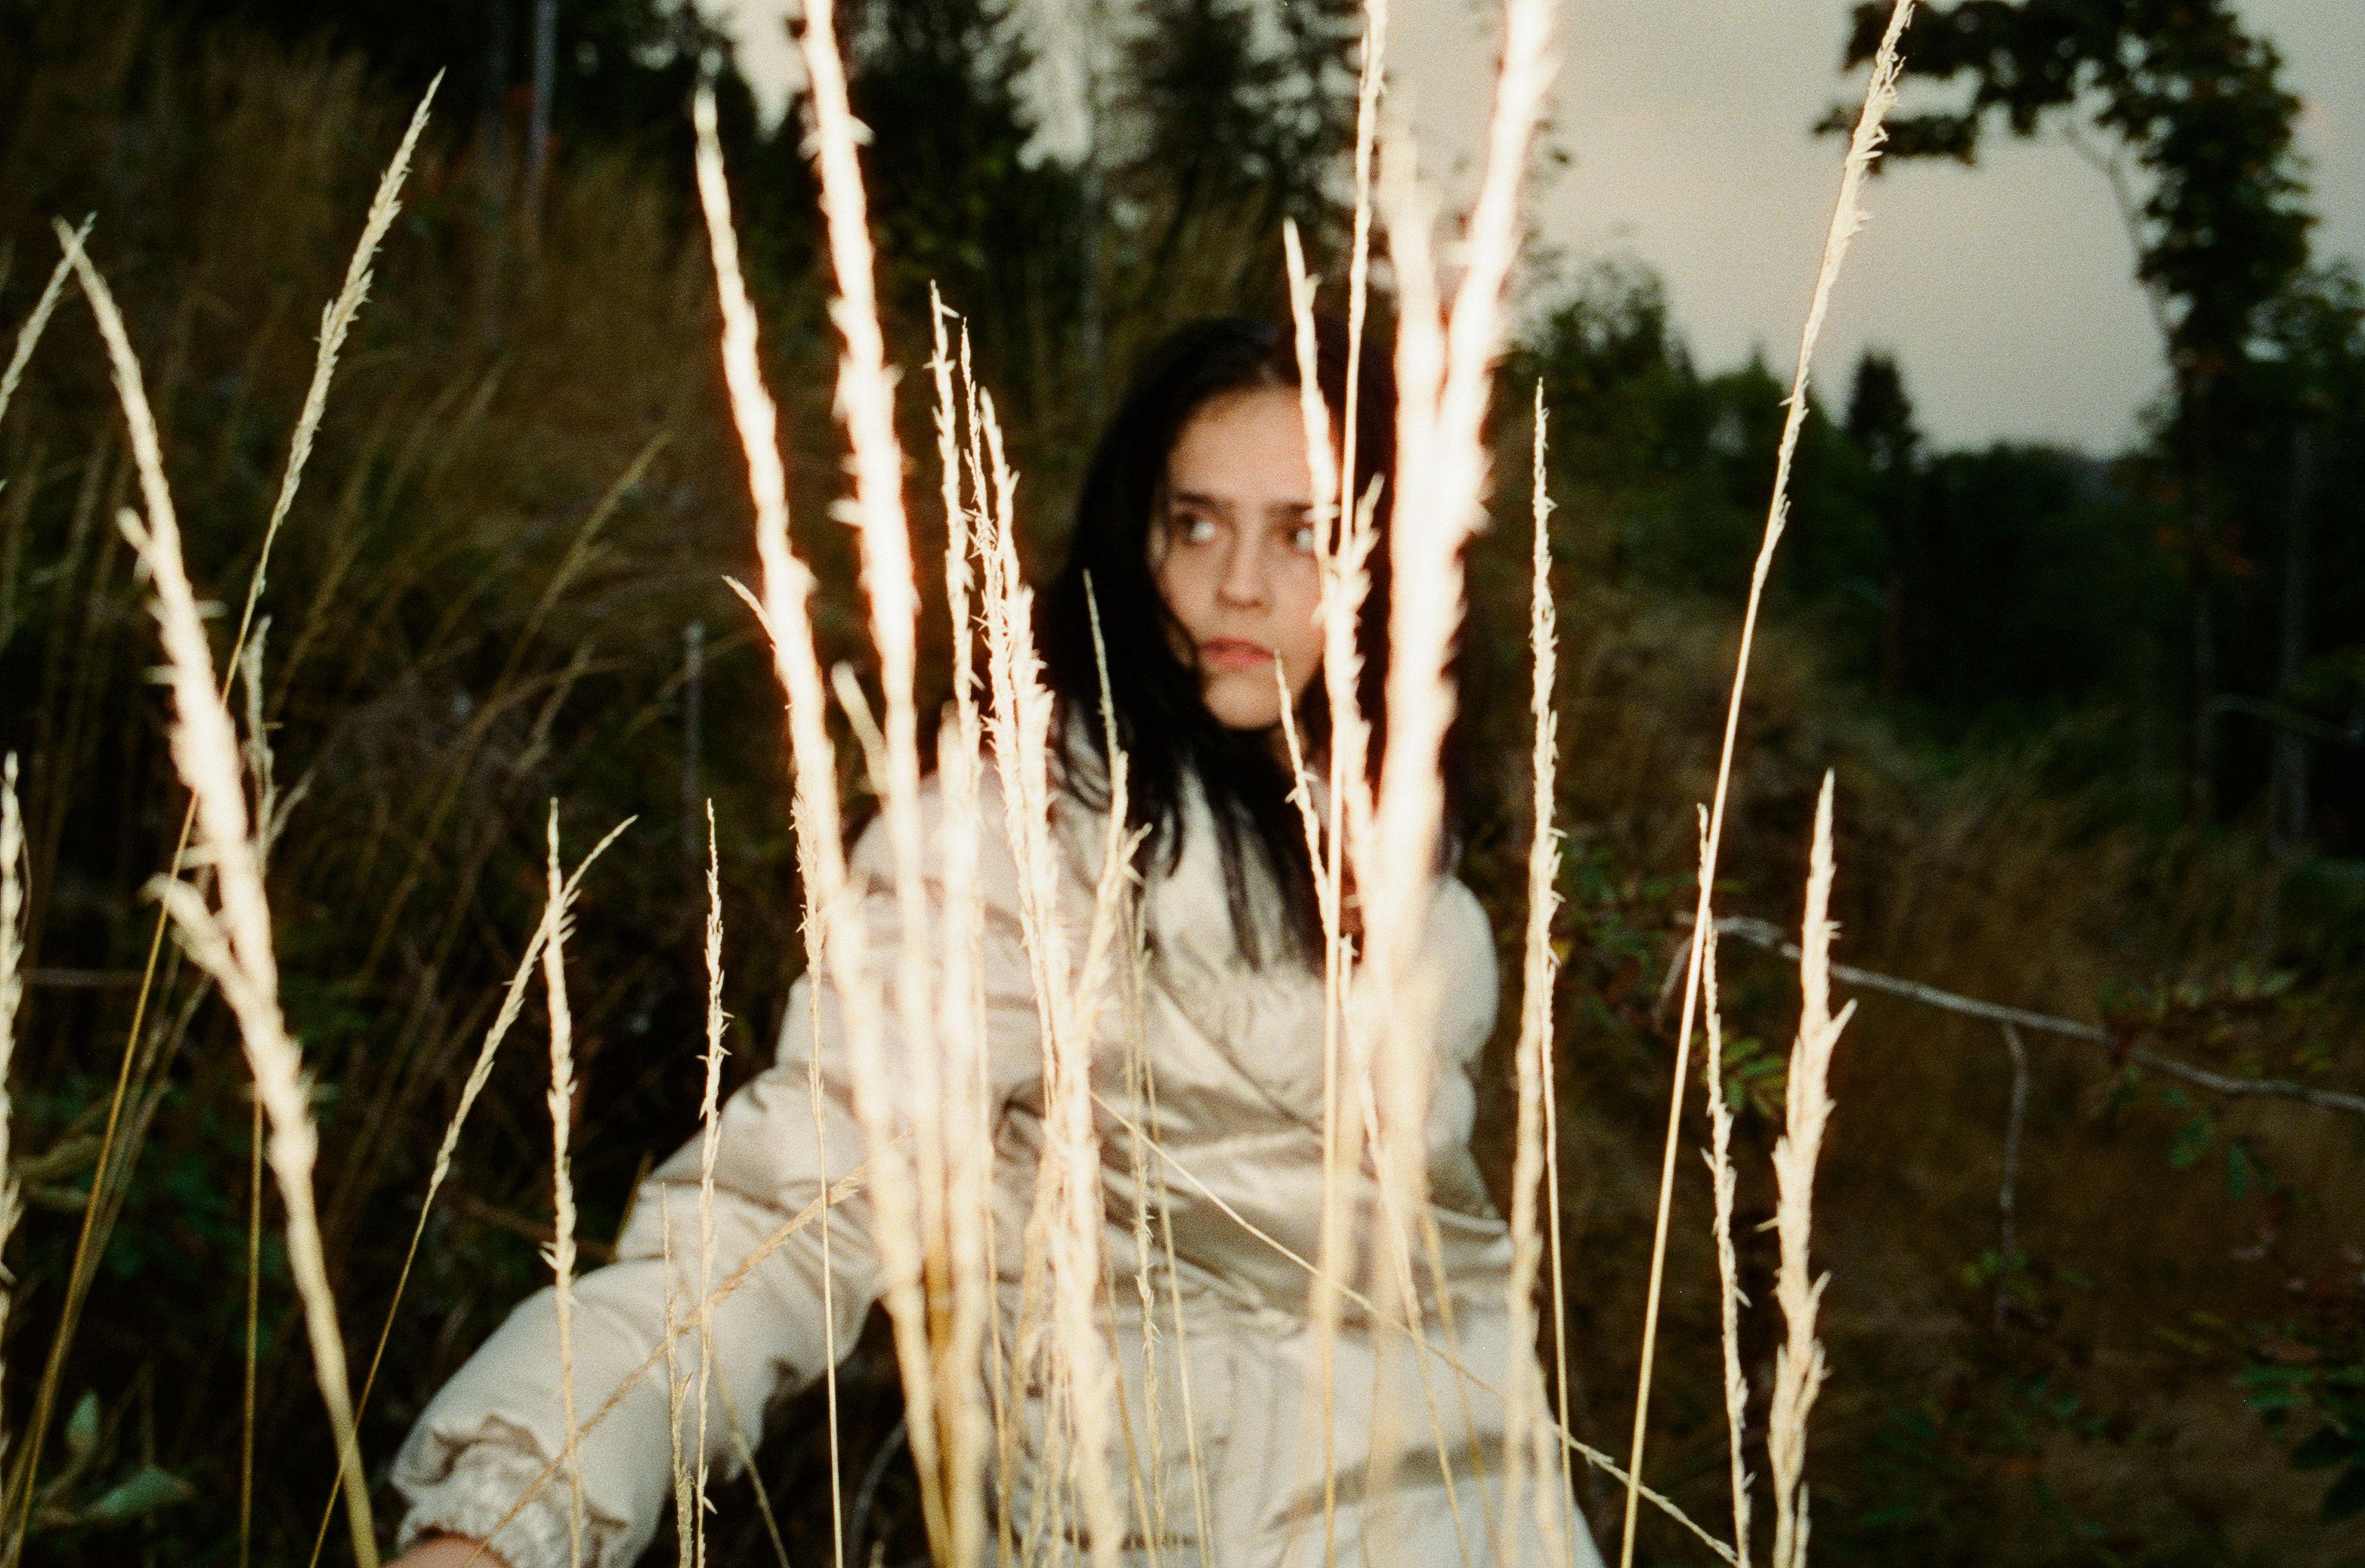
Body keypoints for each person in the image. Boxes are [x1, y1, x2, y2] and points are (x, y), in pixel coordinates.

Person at [386, 316, 1600, 1567]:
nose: (1239, 582)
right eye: (1197, 523)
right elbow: (795, 1205)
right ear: (1138, 536)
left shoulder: (1403, 858)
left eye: (1303, 533)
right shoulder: (1026, 833)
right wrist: (508, 1514)